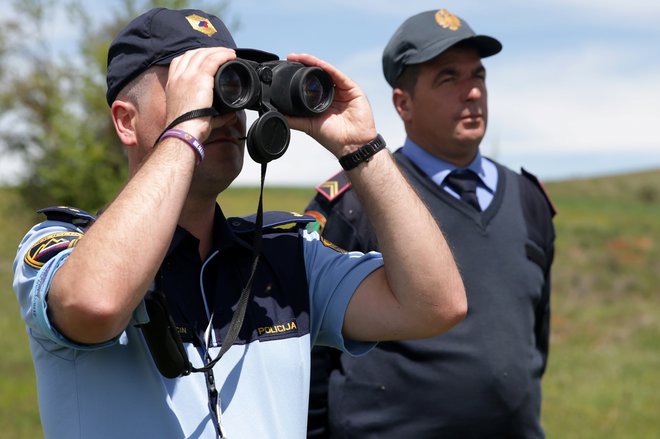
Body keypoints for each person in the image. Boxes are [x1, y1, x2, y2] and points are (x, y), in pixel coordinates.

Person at [11, 7, 467, 439]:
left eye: (231, 85)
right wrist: (185, 130)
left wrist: (361, 148)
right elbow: (96, 305)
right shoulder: (63, 249)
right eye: (196, 87)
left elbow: (435, 305)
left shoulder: (288, 261)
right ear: (126, 122)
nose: (225, 111)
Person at [305, 8, 556, 439]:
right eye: (448, 79)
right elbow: (312, 357)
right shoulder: (354, 202)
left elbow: (534, 338)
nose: (473, 92)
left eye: (478, 76)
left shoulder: (527, 198)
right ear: (403, 103)